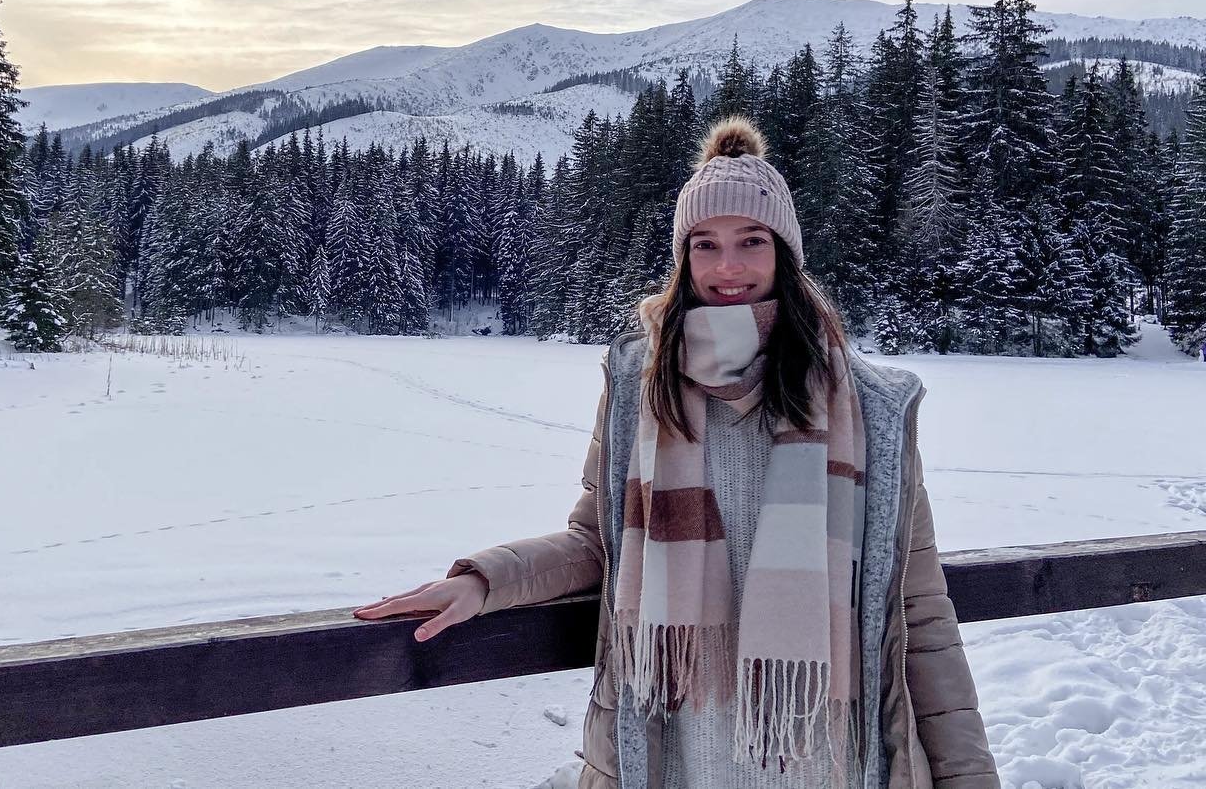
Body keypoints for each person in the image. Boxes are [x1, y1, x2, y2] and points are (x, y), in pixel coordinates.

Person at [356, 117, 999, 789]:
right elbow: (596, 541)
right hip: (680, 755)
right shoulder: (642, 389)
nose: (728, 267)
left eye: (751, 241)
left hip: (829, 763)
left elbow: (921, 611)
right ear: (683, 258)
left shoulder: (870, 407)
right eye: (705, 245)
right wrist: (484, 580)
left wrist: (969, 778)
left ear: (785, 252)